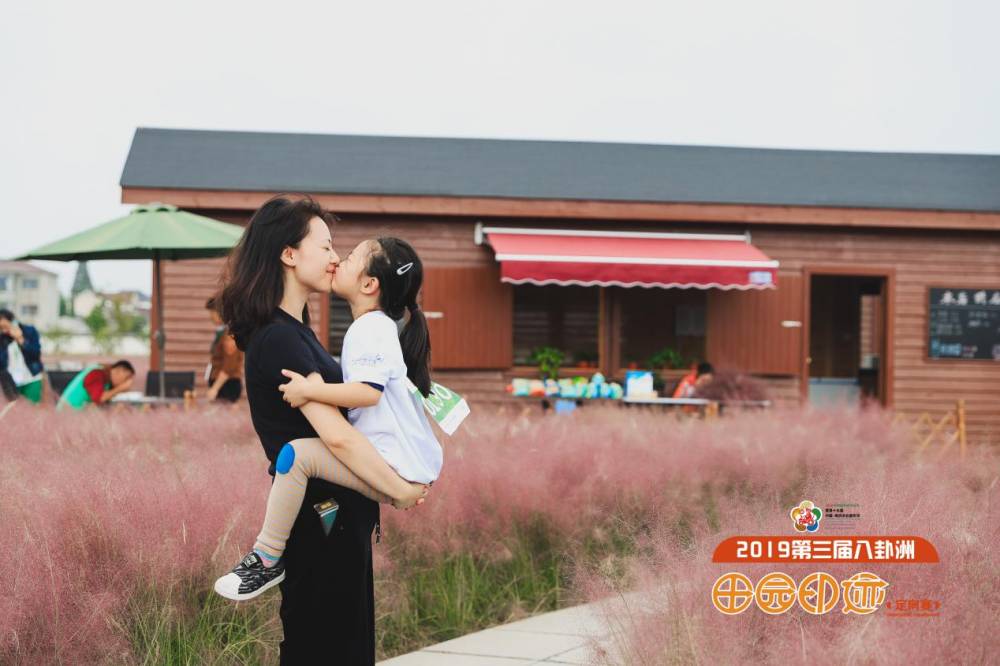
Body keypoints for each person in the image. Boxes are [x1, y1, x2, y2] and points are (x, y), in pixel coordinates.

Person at [214, 195, 428, 663]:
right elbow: (337, 437)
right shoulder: (279, 338)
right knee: (325, 646)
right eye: (326, 246)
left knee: (337, 643)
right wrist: (400, 491)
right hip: (321, 518)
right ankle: (264, 557)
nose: (335, 257)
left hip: (334, 516)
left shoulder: (298, 332)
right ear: (289, 254)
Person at [0, 309, 44, 403]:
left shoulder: (29, 331)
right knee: (14, 409)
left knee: (33, 408)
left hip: (31, 378)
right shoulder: (2, 339)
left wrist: (21, 339)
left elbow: (35, 354)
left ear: (13, 322)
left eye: (5, 327)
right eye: (1, 328)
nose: (4, 331)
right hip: (12, 382)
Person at [205, 297, 243, 402]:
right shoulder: (221, 332)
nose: (210, 316)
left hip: (227, 385)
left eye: (212, 312)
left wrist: (215, 388)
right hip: (221, 384)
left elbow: (229, 366)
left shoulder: (229, 335)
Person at [56, 360, 135, 410]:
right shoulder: (96, 373)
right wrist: (120, 388)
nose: (126, 382)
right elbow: (99, 398)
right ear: (118, 371)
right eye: (126, 378)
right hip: (67, 412)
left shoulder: (107, 382)